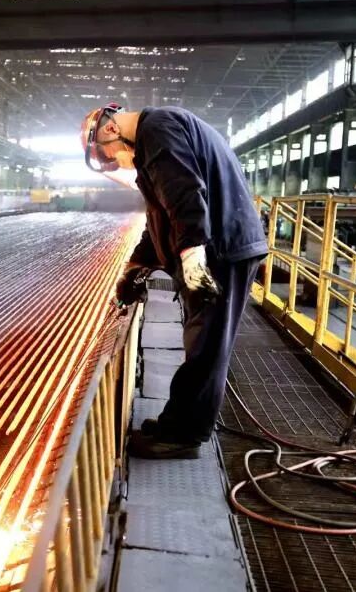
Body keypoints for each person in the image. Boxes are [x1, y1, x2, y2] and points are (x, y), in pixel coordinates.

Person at [81, 103, 267, 459]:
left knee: (206, 347)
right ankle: (177, 421)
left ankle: (182, 435)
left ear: (109, 131)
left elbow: (185, 195)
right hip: (220, 246)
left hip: (221, 250)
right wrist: (136, 267)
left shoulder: (158, 131)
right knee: (200, 341)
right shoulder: (160, 134)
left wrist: (192, 252)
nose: (114, 162)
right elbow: (161, 218)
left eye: (107, 157)